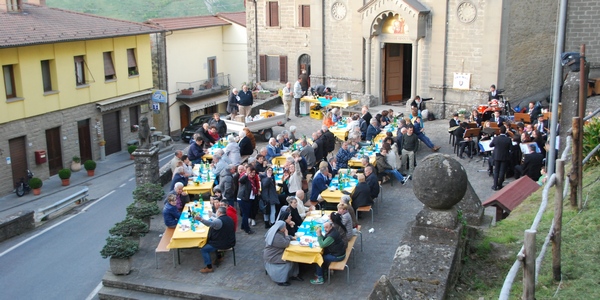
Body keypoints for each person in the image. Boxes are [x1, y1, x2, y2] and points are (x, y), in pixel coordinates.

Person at [196, 206, 236, 273]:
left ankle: (209, 267)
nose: (216, 212)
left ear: (220, 212)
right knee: (214, 240)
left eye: (217, 211)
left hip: (223, 243)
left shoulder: (219, 221)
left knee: (204, 249)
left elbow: (210, 224)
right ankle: (219, 257)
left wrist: (201, 219)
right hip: (230, 241)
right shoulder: (229, 218)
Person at [264, 220, 301, 286]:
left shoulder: (277, 232)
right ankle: (281, 280)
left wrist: (292, 237)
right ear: (281, 228)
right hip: (273, 256)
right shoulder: (276, 236)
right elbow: (285, 243)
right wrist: (287, 235)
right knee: (290, 258)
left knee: (294, 257)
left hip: (277, 253)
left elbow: (284, 238)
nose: (286, 228)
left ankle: (294, 274)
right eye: (285, 227)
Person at [489, 126, 512, 191]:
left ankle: (495, 185)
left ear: (500, 131)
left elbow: (491, 145)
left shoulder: (496, 138)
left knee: (496, 171)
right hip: (505, 157)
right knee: (502, 172)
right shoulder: (508, 139)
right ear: (505, 131)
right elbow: (511, 148)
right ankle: (500, 184)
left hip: (497, 156)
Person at [237, 165, 257, 234]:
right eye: (251, 172)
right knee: (246, 214)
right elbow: (240, 180)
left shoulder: (253, 179)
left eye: (254, 172)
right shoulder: (246, 178)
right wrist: (246, 174)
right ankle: (247, 229)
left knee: (245, 213)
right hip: (243, 198)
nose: (253, 174)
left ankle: (243, 226)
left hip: (249, 198)